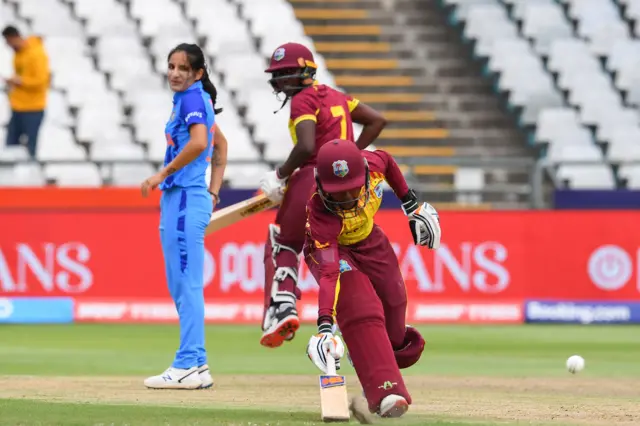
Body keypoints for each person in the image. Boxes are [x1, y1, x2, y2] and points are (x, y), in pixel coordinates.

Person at [259, 42, 388, 348]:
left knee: (283, 241)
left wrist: (280, 175)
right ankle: (358, 319)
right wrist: (348, 158)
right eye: (278, 74)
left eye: (286, 73)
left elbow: (305, 147)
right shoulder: (336, 96)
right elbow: (378, 120)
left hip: (311, 178)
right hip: (347, 189)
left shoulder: (303, 100)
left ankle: (282, 308)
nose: (280, 81)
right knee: (334, 256)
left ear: (304, 73)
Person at [303, 139, 441, 418]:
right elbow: (330, 274)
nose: (346, 200)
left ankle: (365, 350)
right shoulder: (319, 211)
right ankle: (386, 391)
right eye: (337, 194)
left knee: (394, 303)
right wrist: (325, 327)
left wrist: (410, 204)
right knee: (361, 306)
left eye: (352, 190)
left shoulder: (374, 165)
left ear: (365, 175)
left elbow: (388, 160)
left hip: (370, 240)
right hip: (333, 251)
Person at [140, 43, 228, 390]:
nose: (174, 73)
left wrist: (163, 173)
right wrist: (214, 191)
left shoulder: (192, 98)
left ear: (198, 74)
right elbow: (220, 145)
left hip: (183, 200)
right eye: (171, 66)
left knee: (186, 283)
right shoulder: (195, 99)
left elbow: (198, 143)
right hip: (189, 199)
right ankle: (198, 363)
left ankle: (186, 363)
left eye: (182, 68)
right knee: (181, 282)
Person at [2, 26, 50, 159]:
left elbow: (41, 81)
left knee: (30, 148)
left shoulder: (36, 53)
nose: (8, 45)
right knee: (10, 148)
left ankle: (29, 177)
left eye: (8, 41)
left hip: (33, 108)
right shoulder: (18, 54)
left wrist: (20, 81)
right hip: (18, 106)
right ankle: (10, 178)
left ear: (14, 37)